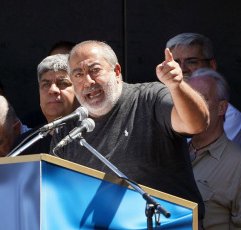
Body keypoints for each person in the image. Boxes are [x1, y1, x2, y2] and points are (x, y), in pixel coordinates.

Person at [50, 40, 210, 224]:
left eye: (95, 70)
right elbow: (61, 203)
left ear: (116, 72)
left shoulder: (150, 98)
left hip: (169, 225)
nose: (88, 81)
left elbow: (196, 124)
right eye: (78, 74)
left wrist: (177, 86)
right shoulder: (67, 132)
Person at [187, 68, 241, 229]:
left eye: (201, 99)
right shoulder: (174, 153)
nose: (191, 105)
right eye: (187, 98)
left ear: (221, 108)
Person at [166, 32, 241, 150]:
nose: (182, 69)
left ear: (212, 66)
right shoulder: (156, 105)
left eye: (192, 61)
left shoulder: (229, 117)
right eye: (176, 63)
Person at [10, 54, 79, 155]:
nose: (52, 90)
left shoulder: (96, 140)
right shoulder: (24, 145)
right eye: (46, 84)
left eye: (63, 83)